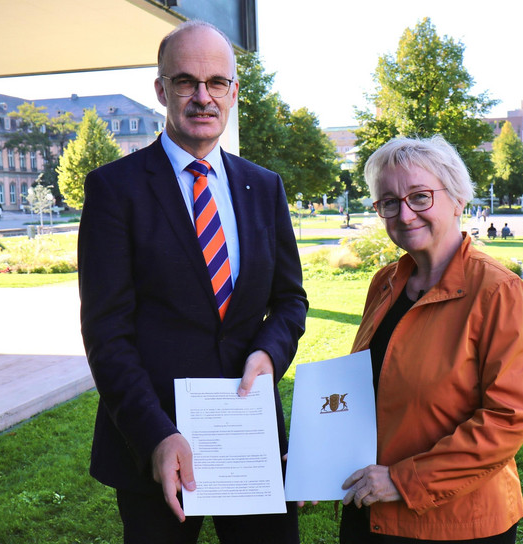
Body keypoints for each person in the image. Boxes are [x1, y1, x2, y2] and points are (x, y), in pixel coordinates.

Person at [78, 21, 307, 544]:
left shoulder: (264, 187)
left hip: (250, 437)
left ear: (234, 92)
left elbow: (290, 300)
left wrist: (270, 353)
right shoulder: (115, 189)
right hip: (155, 440)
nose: (203, 97)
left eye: (217, 83)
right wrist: (155, 435)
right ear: (161, 90)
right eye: (186, 81)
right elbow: (106, 332)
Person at [339, 135, 523, 543]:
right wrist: (320, 451)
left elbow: (505, 421)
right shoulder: (386, 282)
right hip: (371, 508)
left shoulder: (498, 292)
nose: (405, 213)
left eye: (420, 197)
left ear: (457, 200)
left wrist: (403, 481)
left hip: (455, 522)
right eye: (389, 202)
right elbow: (366, 387)